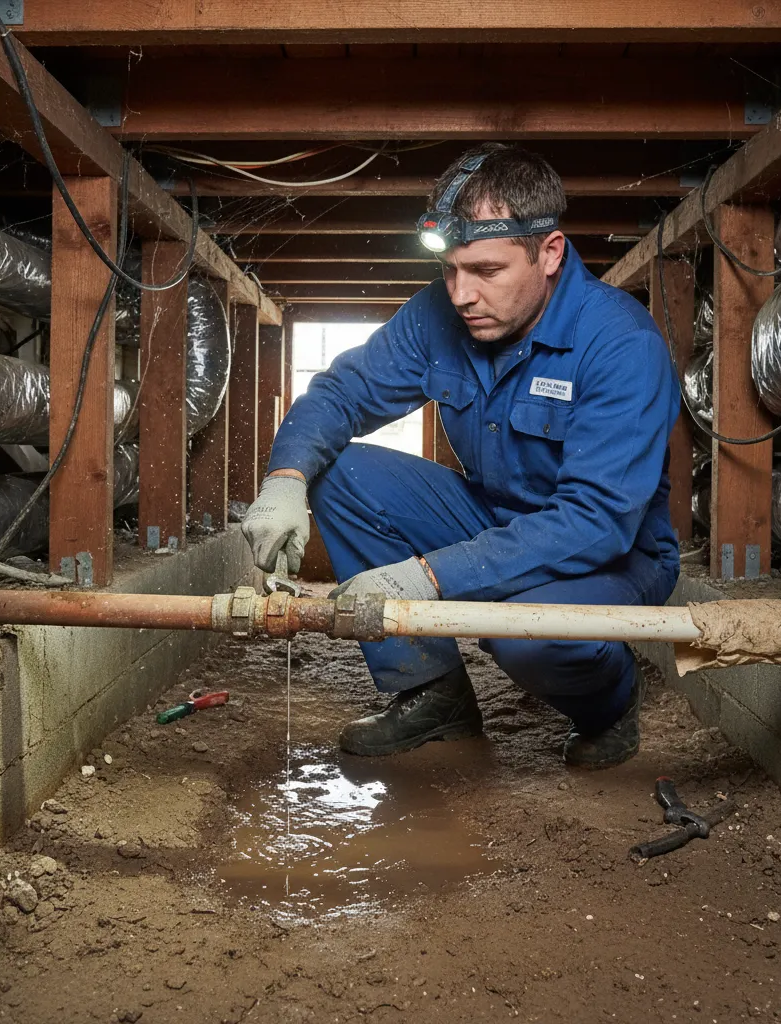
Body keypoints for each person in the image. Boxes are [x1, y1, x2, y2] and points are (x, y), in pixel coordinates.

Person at [241, 143, 681, 768]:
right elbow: (343, 391)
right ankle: (431, 694)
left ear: (550, 253)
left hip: (608, 553)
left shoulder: (620, 344)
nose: (461, 293)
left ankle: (609, 704)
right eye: (449, 270)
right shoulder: (440, 315)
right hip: (492, 515)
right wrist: (285, 479)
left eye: (486, 271)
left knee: (525, 633)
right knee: (337, 473)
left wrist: (428, 576)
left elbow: (597, 521)